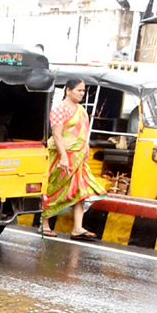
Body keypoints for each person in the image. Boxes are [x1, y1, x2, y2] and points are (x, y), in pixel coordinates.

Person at [44, 77, 105, 240]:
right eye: (79, 90)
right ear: (68, 90)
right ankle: (44, 225)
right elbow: (57, 135)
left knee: (80, 191)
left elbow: (83, 134)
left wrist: (86, 150)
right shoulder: (60, 109)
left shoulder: (81, 110)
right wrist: (64, 156)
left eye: (84, 91)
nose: (82, 94)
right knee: (52, 188)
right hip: (61, 157)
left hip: (77, 158)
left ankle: (78, 228)